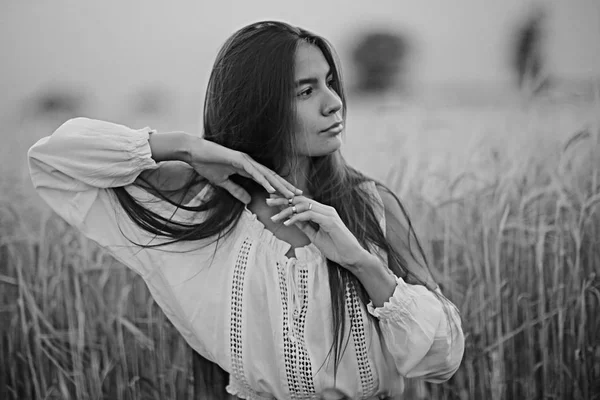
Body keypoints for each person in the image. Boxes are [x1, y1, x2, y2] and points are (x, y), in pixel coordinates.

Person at [27, 20, 464, 400]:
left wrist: (361, 262)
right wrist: (191, 147)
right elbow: (53, 160)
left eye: (330, 82)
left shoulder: (371, 206)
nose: (334, 102)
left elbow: (443, 356)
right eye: (306, 90)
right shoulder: (209, 214)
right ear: (260, 107)